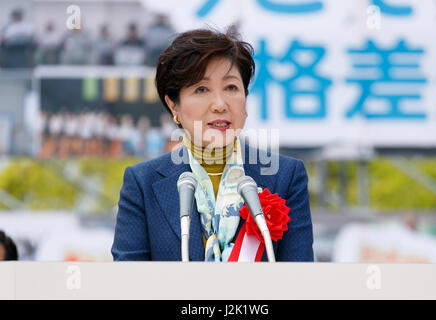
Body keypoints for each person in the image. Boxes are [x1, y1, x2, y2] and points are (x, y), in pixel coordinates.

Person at [111, 28, 314, 262]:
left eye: (231, 88)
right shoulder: (143, 183)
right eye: (201, 89)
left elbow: (299, 281)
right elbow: (129, 284)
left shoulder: (285, 176)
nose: (219, 104)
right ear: (174, 106)